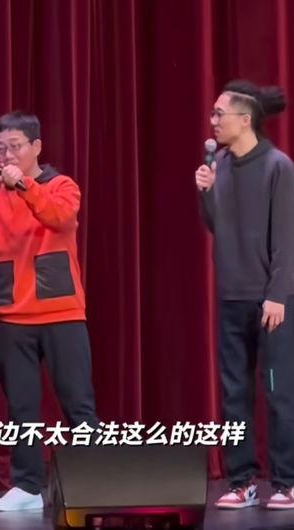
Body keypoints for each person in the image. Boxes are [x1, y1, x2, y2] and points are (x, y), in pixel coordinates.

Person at [0, 111, 99, 511]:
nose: (7, 155)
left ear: (36, 147)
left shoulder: (61, 185)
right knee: (21, 408)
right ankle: (28, 488)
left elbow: (58, 216)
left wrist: (24, 185)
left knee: (78, 404)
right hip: (11, 317)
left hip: (62, 313)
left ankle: (96, 481)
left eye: (15, 146)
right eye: (0, 148)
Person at [195, 80, 294, 509]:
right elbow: (217, 226)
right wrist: (205, 192)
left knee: (278, 391)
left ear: (245, 119)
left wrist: (278, 295)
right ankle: (242, 481)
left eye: (220, 114)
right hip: (231, 296)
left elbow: (286, 238)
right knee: (233, 393)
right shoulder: (220, 165)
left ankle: (287, 482)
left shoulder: (277, 166)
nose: (213, 121)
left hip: (271, 301)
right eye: (213, 114)